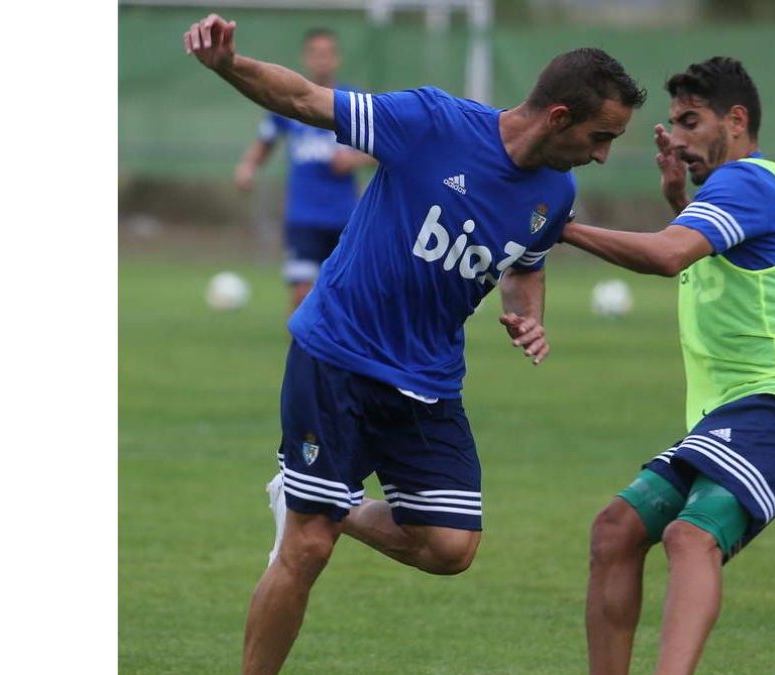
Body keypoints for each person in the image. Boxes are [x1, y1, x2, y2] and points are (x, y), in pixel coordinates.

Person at [183, 14, 646, 674]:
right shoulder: (432, 123)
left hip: (427, 381)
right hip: (338, 355)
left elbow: (527, 264)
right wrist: (230, 64)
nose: (602, 156)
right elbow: (305, 100)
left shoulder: (555, 191)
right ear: (559, 117)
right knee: (308, 547)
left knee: (450, 546)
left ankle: (318, 497)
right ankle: (312, 512)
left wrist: (528, 316)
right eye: (601, 137)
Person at [560, 56, 775, 675]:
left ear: (736, 121)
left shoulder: (749, 182)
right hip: (745, 410)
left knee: (689, 535)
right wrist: (677, 200)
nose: (678, 138)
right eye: (673, 124)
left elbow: (669, 256)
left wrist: (560, 229)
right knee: (616, 530)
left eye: (690, 122)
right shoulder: (742, 192)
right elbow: (705, 258)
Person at [233, 27, 376, 311]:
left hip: (345, 215)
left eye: (327, 53)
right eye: (315, 53)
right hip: (303, 216)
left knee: (347, 294)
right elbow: (265, 141)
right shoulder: (289, 100)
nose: (322, 59)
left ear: (337, 58)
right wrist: (248, 166)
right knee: (301, 294)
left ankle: (339, 339)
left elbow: (384, 149)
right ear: (306, 58)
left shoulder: (353, 101)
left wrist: (355, 160)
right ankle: (304, 340)